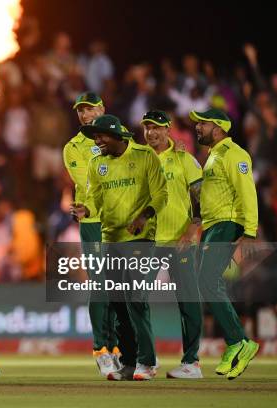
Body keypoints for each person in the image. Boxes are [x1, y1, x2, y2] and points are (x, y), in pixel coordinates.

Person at [72, 114, 167, 381]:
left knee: (136, 298)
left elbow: (161, 194)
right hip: (110, 239)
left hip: (140, 238)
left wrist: (144, 216)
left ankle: (147, 362)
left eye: (100, 136)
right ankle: (127, 362)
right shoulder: (96, 163)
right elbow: (96, 200)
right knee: (119, 304)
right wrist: (86, 209)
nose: (96, 141)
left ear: (116, 135)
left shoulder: (144, 156)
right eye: (94, 137)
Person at [189, 108, 259, 380]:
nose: (197, 127)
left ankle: (240, 342)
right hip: (212, 226)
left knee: (206, 282)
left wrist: (249, 231)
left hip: (226, 224)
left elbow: (247, 192)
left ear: (218, 127)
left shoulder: (235, 155)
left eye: (202, 123)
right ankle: (237, 343)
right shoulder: (213, 156)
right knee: (207, 283)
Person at [141, 110, 204, 379]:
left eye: (156, 127)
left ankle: (192, 363)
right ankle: (146, 361)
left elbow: (202, 198)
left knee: (188, 302)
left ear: (168, 130)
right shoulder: (137, 159)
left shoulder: (184, 159)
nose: (151, 132)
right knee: (136, 299)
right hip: (147, 241)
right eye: (146, 127)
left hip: (179, 241)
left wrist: (191, 230)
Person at [63, 92, 120, 376]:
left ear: (102, 108)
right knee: (100, 284)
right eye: (81, 111)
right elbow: (88, 180)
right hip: (93, 221)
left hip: (120, 221)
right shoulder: (73, 147)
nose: (85, 115)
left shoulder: (121, 138)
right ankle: (101, 349)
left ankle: (118, 348)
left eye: (90, 109)